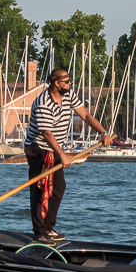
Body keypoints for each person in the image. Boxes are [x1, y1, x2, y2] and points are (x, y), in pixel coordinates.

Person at [26, 67, 112, 243]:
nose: (70, 84)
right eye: (66, 81)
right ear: (56, 83)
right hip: (38, 148)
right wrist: (63, 155)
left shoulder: (69, 95)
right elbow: (46, 133)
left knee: (58, 188)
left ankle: (49, 227)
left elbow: (85, 115)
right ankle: (40, 231)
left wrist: (103, 132)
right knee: (41, 189)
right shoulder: (44, 102)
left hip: (54, 147)